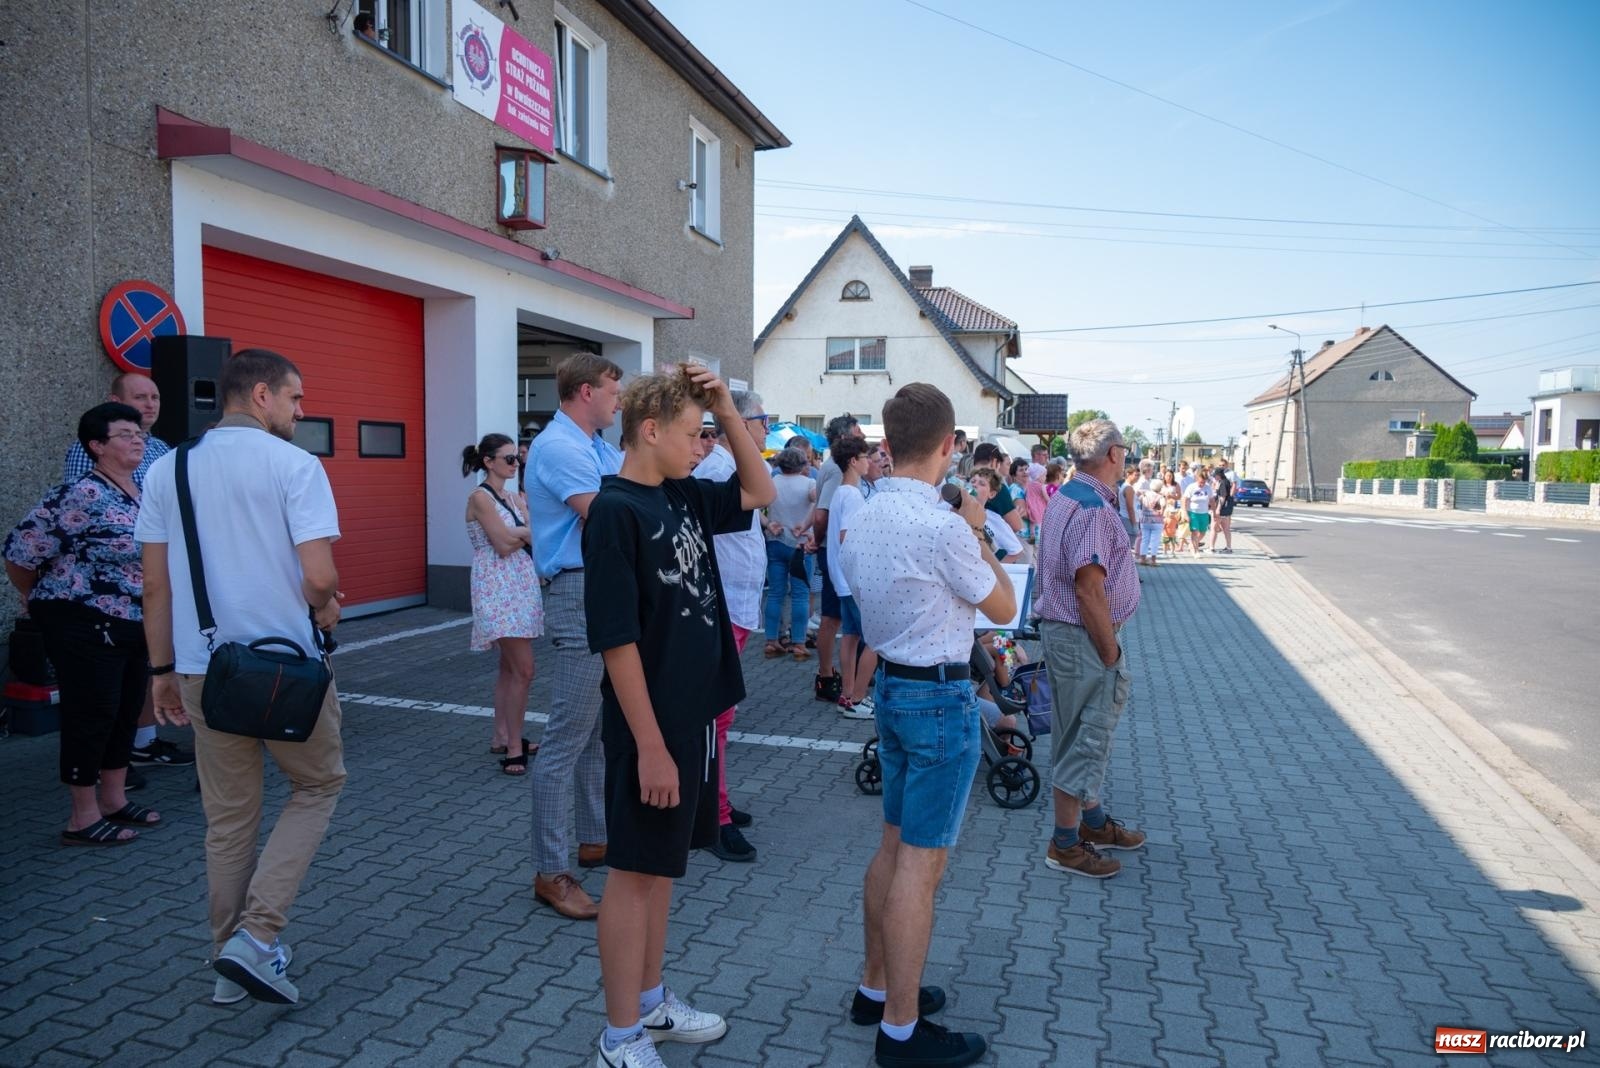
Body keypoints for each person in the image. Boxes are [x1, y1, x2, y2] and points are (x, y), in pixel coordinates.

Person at [137, 348, 346, 1005]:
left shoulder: (167, 468)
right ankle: (256, 939)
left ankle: (228, 961)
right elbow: (319, 576)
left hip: (205, 668)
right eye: (295, 397)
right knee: (317, 785)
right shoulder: (295, 465)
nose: (301, 411)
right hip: (288, 670)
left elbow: (154, 585)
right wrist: (326, 606)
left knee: (229, 821)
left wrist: (161, 670)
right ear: (261, 395)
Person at [583, 365, 774, 1068]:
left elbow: (759, 489)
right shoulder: (615, 513)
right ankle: (619, 1037)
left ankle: (651, 1001)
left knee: (661, 868)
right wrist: (651, 747)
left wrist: (723, 405)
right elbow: (616, 641)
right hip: (651, 729)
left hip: (692, 715)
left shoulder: (683, 492)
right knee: (633, 873)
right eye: (694, 434)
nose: (703, 447)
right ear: (650, 430)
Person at [840, 382, 1015, 1068]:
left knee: (892, 847)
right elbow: (1003, 606)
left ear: (887, 443)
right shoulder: (944, 527)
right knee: (921, 864)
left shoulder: (865, 512)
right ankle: (901, 1031)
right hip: (938, 698)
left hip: (891, 688)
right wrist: (977, 525)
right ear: (948, 446)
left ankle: (876, 988)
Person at [6, 402, 160, 846]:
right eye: (125, 434)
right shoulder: (79, 494)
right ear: (96, 445)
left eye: (139, 433)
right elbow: (19, 553)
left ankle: (113, 799)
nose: (137, 440)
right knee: (91, 714)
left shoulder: (140, 492)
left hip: (133, 621)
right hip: (84, 623)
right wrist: (37, 597)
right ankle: (82, 817)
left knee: (124, 710)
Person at [525, 351, 624, 920]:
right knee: (566, 739)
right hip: (578, 591)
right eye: (613, 391)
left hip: (596, 590)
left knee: (595, 733)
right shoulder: (561, 447)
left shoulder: (594, 445)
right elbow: (607, 513)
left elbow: (633, 485)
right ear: (586, 392)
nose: (618, 401)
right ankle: (551, 871)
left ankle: (594, 839)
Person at [1034, 418, 1146, 881]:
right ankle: (1065, 844)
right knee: (1087, 737)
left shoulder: (1069, 495)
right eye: (1125, 451)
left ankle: (1092, 822)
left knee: (1076, 733)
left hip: (1067, 634)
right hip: (1084, 637)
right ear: (1114, 454)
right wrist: (1110, 653)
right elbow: (1089, 589)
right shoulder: (1093, 508)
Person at [63, 372, 189, 771]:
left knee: (148, 664)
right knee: (109, 689)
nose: (150, 404)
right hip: (105, 594)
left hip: (151, 579)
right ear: (115, 401)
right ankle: (106, 765)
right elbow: (82, 516)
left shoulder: (162, 448)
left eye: (155, 397)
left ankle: (143, 743)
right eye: (140, 397)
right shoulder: (89, 453)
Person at [692, 389, 773, 864]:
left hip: (734, 608)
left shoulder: (731, 468)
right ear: (739, 423)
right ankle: (713, 817)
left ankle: (714, 805)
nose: (766, 429)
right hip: (721, 609)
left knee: (720, 716)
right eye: (762, 420)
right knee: (715, 718)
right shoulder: (717, 471)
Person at [461, 433, 542, 774]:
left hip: (518, 585)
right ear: (488, 461)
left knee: (510, 668)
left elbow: (529, 534)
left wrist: (520, 532)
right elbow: (503, 544)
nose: (515, 464)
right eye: (509, 458)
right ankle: (513, 748)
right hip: (497, 587)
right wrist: (523, 532)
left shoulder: (512, 496)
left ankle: (503, 735)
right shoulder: (480, 497)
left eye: (517, 458)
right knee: (524, 669)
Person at [810, 415, 865, 705]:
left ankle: (843, 685)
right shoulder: (837, 473)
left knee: (846, 628)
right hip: (840, 563)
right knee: (835, 620)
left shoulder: (833, 470)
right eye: (858, 433)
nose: (862, 436)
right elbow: (823, 515)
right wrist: (817, 539)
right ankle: (832, 680)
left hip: (833, 557)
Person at [826, 436, 876, 719]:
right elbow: (848, 537)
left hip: (841, 578)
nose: (869, 462)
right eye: (865, 457)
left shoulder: (841, 492)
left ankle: (847, 694)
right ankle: (857, 698)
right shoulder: (853, 495)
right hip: (854, 579)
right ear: (854, 461)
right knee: (875, 641)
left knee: (850, 637)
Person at [763, 447, 815, 659]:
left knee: (776, 593)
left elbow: (755, 507)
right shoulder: (809, 484)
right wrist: (806, 524)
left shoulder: (771, 483)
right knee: (800, 594)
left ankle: (771, 640)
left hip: (775, 540)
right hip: (800, 544)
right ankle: (799, 643)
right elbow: (819, 501)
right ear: (802, 464)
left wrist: (768, 523)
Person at [968, 468, 1025, 561]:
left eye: (982, 484)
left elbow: (1016, 551)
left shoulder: (994, 519)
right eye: (973, 481)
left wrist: (995, 568)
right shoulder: (950, 507)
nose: (974, 485)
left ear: (991, 494)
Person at [1135, 459, 1164, 566]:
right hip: (1148, 514)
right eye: (1151, 469)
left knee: (1144, 537)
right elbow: (1136, 494)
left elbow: (1140, 496)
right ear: (1147, 470)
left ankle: (1142, 557)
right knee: (1144, 537)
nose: (1153, 471)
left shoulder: (1148, 481)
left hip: (1145, 515)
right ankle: (1141, 556)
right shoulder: (1142, 482)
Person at [1183, 467, 1213, 554]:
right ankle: (1196, 551)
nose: (1202, 484)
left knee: (1203, 532)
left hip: (1204, 513)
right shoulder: (1191, 487)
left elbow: (1212, 500)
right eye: (1200, 482)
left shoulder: (1208, 488)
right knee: (1195, 532)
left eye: (1203, 482)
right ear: (1197, 479)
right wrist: (1185, 513)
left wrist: (1214, 512)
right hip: (1193, 513)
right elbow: (1184, 499)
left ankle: (1191, 545)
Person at [1211, 465, 1236, 554]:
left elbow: (1222, 497)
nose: (1214, 477)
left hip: (1222, 509)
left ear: (1219, 475)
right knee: (1226, 529)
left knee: (1214, 528)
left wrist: (1218, 509)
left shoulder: (1223, 483)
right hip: (1226, 509)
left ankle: (1211, 548)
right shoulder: (1225, 482)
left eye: (1215, 475)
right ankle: (1229, 548)